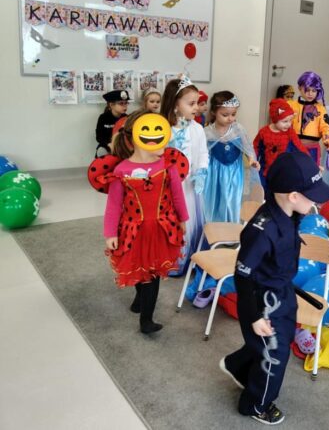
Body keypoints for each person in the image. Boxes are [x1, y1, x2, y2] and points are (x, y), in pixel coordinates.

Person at [219, 151, 329, 425]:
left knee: (278, 340)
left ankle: (237, 365)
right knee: (275, 354)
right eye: (312, 196)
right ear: (293, 196)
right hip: (262, 302)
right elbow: (242, 275)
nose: (316, 202)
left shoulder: (290, 213)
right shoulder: (262, 230)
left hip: (282, 292)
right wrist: (255, 316)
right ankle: (255, 404)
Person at [88, 110, 189, 333]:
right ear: (135, 138)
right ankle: (139, 300)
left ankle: (146, 320)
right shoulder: (121, 170)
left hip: (161, 229)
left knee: (151, 274)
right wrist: (110, 233)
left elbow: (177, 196)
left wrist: (183, 219)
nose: (164, 141)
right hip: (133, 229)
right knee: (137, 267)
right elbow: (114, 205)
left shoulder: (168, 166)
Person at [161, 77, 209, 275]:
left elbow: (203, 153)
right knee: (169, 221)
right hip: (166, 187)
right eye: (191, 103)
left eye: (197, 103)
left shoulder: (197, 128)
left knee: (188, 221)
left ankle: (187, 257)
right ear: (175, 104)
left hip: (189, 185)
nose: (196, 107)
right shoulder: (163, 128)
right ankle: (168, 259)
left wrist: (201, 172)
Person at [203, 90, 261, 223]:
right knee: (215, 198)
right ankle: (214, 225)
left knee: (231, 199)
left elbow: (247, 147)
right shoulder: (207, 132)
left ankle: (232, 224)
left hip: (234, 172)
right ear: (214, 112)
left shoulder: (238, 129)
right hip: (214, 172)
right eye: (225, 115)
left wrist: (251, 159)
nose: (230, 118)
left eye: (233, 114)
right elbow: (202, 152)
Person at [254, 99, 309, 190]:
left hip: (283, 170)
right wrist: (254, 161)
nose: (289, 124)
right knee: (264, 189)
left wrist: (309, 161)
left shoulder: (290, 132)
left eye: (290, 120)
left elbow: (299, 147)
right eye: (285, 121)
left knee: (281, 190)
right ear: (275, 119)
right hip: (265, 169)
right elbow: (256, 147)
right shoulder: (263, 132)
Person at [288, 71, 329, 166]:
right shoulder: (291, 105)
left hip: (312, 149)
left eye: (314, 91)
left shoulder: (320, 109)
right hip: (293, 147)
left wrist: (327, 139)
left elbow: (325, 127)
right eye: (307, 90)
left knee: (311, 173)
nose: (310, 94)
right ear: (299, 88)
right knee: (293, 172)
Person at [95, 89, 130, 157]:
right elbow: (99, 137)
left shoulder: (127, 118)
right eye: (121, 103)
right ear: (111, 105)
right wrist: (109, 144)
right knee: (102, 152)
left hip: (122, 146)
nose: (125, 106)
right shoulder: (103, 117)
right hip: (107, 146)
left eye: (126, 103)